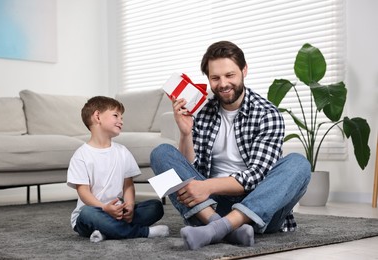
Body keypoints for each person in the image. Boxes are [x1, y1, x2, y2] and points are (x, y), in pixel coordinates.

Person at [150, 41, 311, 250]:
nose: (223, 84)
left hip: (259, 207)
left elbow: (257, 176)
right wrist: (185, 133)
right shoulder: (203, 111)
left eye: (230, 75)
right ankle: (224, 226)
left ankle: (215, 229)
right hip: (210, 205)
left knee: (299, 164)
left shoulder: (268, 114)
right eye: (215, 78)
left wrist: (206, 186)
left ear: (244, 70)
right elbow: (190, 171)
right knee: (160, 153)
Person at [67, 96, 169, 243]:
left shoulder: (123, 152)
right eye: (116, 115)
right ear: (97, 116)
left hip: (118, 212)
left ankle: (107, 231)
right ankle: (143, 232)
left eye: (122, 117)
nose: (121, 120)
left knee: (156, 206)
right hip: (94, 212)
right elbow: (83, 192)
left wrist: (129, 206)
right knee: (87, 213)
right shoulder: (81, 155)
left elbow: (128, 185)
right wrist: (104, 208)